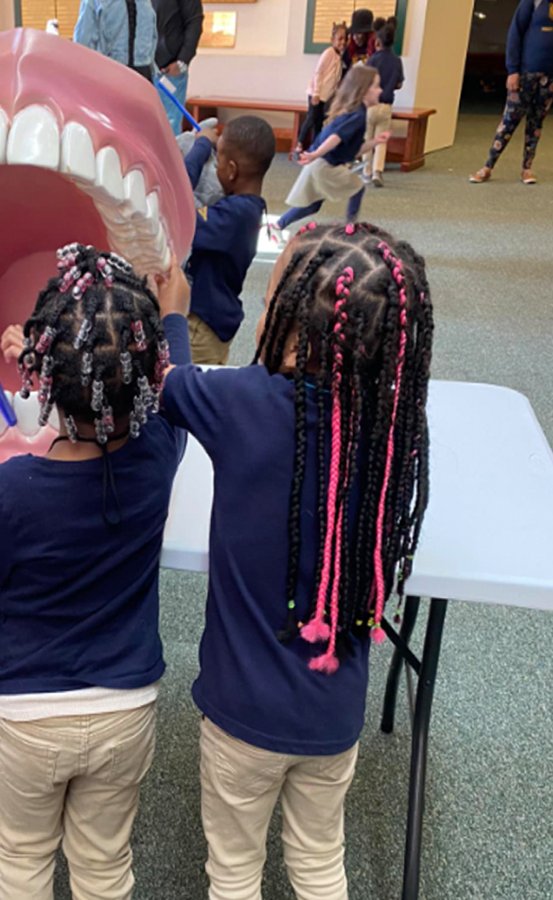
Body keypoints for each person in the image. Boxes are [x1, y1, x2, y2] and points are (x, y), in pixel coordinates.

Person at [0, 247, 192, 900]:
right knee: (105, 865)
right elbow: (180, 389)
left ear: (41, 381)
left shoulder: (13, 490)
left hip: (29, 717)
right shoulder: (161, 453)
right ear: (150, 381)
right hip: (127, 708)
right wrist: (174, 320)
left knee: (24, 859)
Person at [160, 221, 434, 900]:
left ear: (287, 324)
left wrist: (172, 310)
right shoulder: (391, 426)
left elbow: (171, 383)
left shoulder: (236, 403)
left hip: (239, 713)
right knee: (318, 863)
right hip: (333, 712)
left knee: (233, 871)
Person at [183, 116, 276, 366]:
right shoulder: (245, 209)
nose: (216, 169)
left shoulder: (235, 215)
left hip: (200, 327)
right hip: (212, 323)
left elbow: (177, 201)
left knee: (189, 391)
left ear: (233, 170)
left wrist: (201, 146)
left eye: (219, 162)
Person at [277, 66, 390, 231]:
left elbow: (354, 151)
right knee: (357, 188)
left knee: (313, 205)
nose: (380, 91)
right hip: (323, 163)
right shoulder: (357, 115)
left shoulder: (357, 113)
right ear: (364, 90)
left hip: (321, 163)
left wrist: (376, 141)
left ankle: (277, 226)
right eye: (376, 86)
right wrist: (315, 154)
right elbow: (335, 137)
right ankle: (350, 228)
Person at [470, 0, 553, 185]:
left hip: (549, 78)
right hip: (525, 74)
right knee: (509, 122)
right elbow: (515, 34)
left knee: (536, 124)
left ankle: (527, 169)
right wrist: (513, 70)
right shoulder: (532, 2)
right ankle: (487, 167)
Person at [152, 0, 204, 134]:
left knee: (168, 129)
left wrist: (182, 62)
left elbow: (194, 21)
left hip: (168, 71)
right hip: (141, 68)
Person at [295, 21, 347, 157]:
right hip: (316, 94)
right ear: (332, 40)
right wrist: (316, 93)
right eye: (340, 38)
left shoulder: (338, 57)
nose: (343, 42)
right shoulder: (328, 53)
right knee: (311, 118)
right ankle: (299, 145)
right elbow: (319, 72)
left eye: (345, 39)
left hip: (326, 97)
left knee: (319, 123)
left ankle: (313, 149)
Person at [74, 0, 158, 82]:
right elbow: (152, 37)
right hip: (144, 74)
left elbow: (82, 44)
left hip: (110, 73)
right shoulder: (145, 2)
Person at [365, 24, 404, 187]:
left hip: (371, 105)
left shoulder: (373, 59)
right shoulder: (396, 61)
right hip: (386, 106)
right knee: (381, 140)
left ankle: (366, 171)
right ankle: (377, 172)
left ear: (378, 42)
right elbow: (399, 84)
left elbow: (365, 81)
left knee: (367, 139)